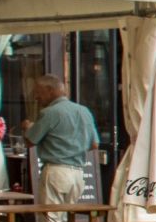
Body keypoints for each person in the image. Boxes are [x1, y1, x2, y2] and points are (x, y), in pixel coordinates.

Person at [24, 77, 99, 206]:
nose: (36, 97)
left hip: (56, 172)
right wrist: (73, 145)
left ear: (50, 90)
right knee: (68, 220)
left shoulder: (49, 113)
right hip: (78, 174)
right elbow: (94, 144)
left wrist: (27, 128)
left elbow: (30, 141)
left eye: (38, 92)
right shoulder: (84, 111)